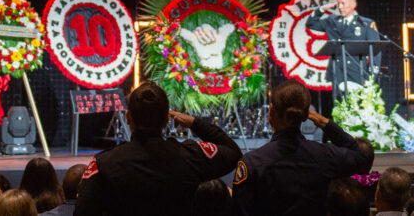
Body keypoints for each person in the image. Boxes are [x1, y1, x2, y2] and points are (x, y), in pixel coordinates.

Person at [75, 81, 241, 216]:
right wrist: (194, 123)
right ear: (167, 119)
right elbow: (232, 151)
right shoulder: (192, 155)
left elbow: (83, 211)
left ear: (128, 118)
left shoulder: (103, 164)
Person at [231, 79, 369, 216]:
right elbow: (361, 159)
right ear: (305, 116)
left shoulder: (253, 163)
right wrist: (326, 123)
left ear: (271, 111)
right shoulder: (325, 156)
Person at [304, 0, 382, 98]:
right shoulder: (332, 20)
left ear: (353, 4)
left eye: (343, 3)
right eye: (338, 4)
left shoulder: (366, 24)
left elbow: (375, 51)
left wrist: (371, 76)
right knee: (339, 108)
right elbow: (311, 23)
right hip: (338, 72)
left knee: (358, 108)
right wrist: (322, 9)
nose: (340, 7)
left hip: (357, 73)